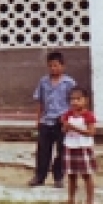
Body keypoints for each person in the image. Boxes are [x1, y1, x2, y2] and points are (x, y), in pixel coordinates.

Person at [29, 51, 77, 189]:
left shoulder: (69, 83)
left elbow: (74, 103)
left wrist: (70, 120)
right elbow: (40, 102)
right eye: (50, 66)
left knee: (61, 151)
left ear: (63, 66)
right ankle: (39, 176)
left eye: (56, 66)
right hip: (46, 120)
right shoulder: (43, 82)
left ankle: (58, 177)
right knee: (43, 150)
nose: (53, 69)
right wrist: (38, 119)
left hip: (62, 121)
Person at [61, 88, 98, 204]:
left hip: (83, 147)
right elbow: (64, 129)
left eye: (78, 99)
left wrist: (74, 128)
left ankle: (90, 201)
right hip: (70, 146)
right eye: (72, 99)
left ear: (85, 100)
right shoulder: (68, 114)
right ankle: (71, 199)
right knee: (71, 175)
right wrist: (65, 127)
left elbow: (91, 132)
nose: (75, 102)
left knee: (86, 175)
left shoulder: (88, 116)